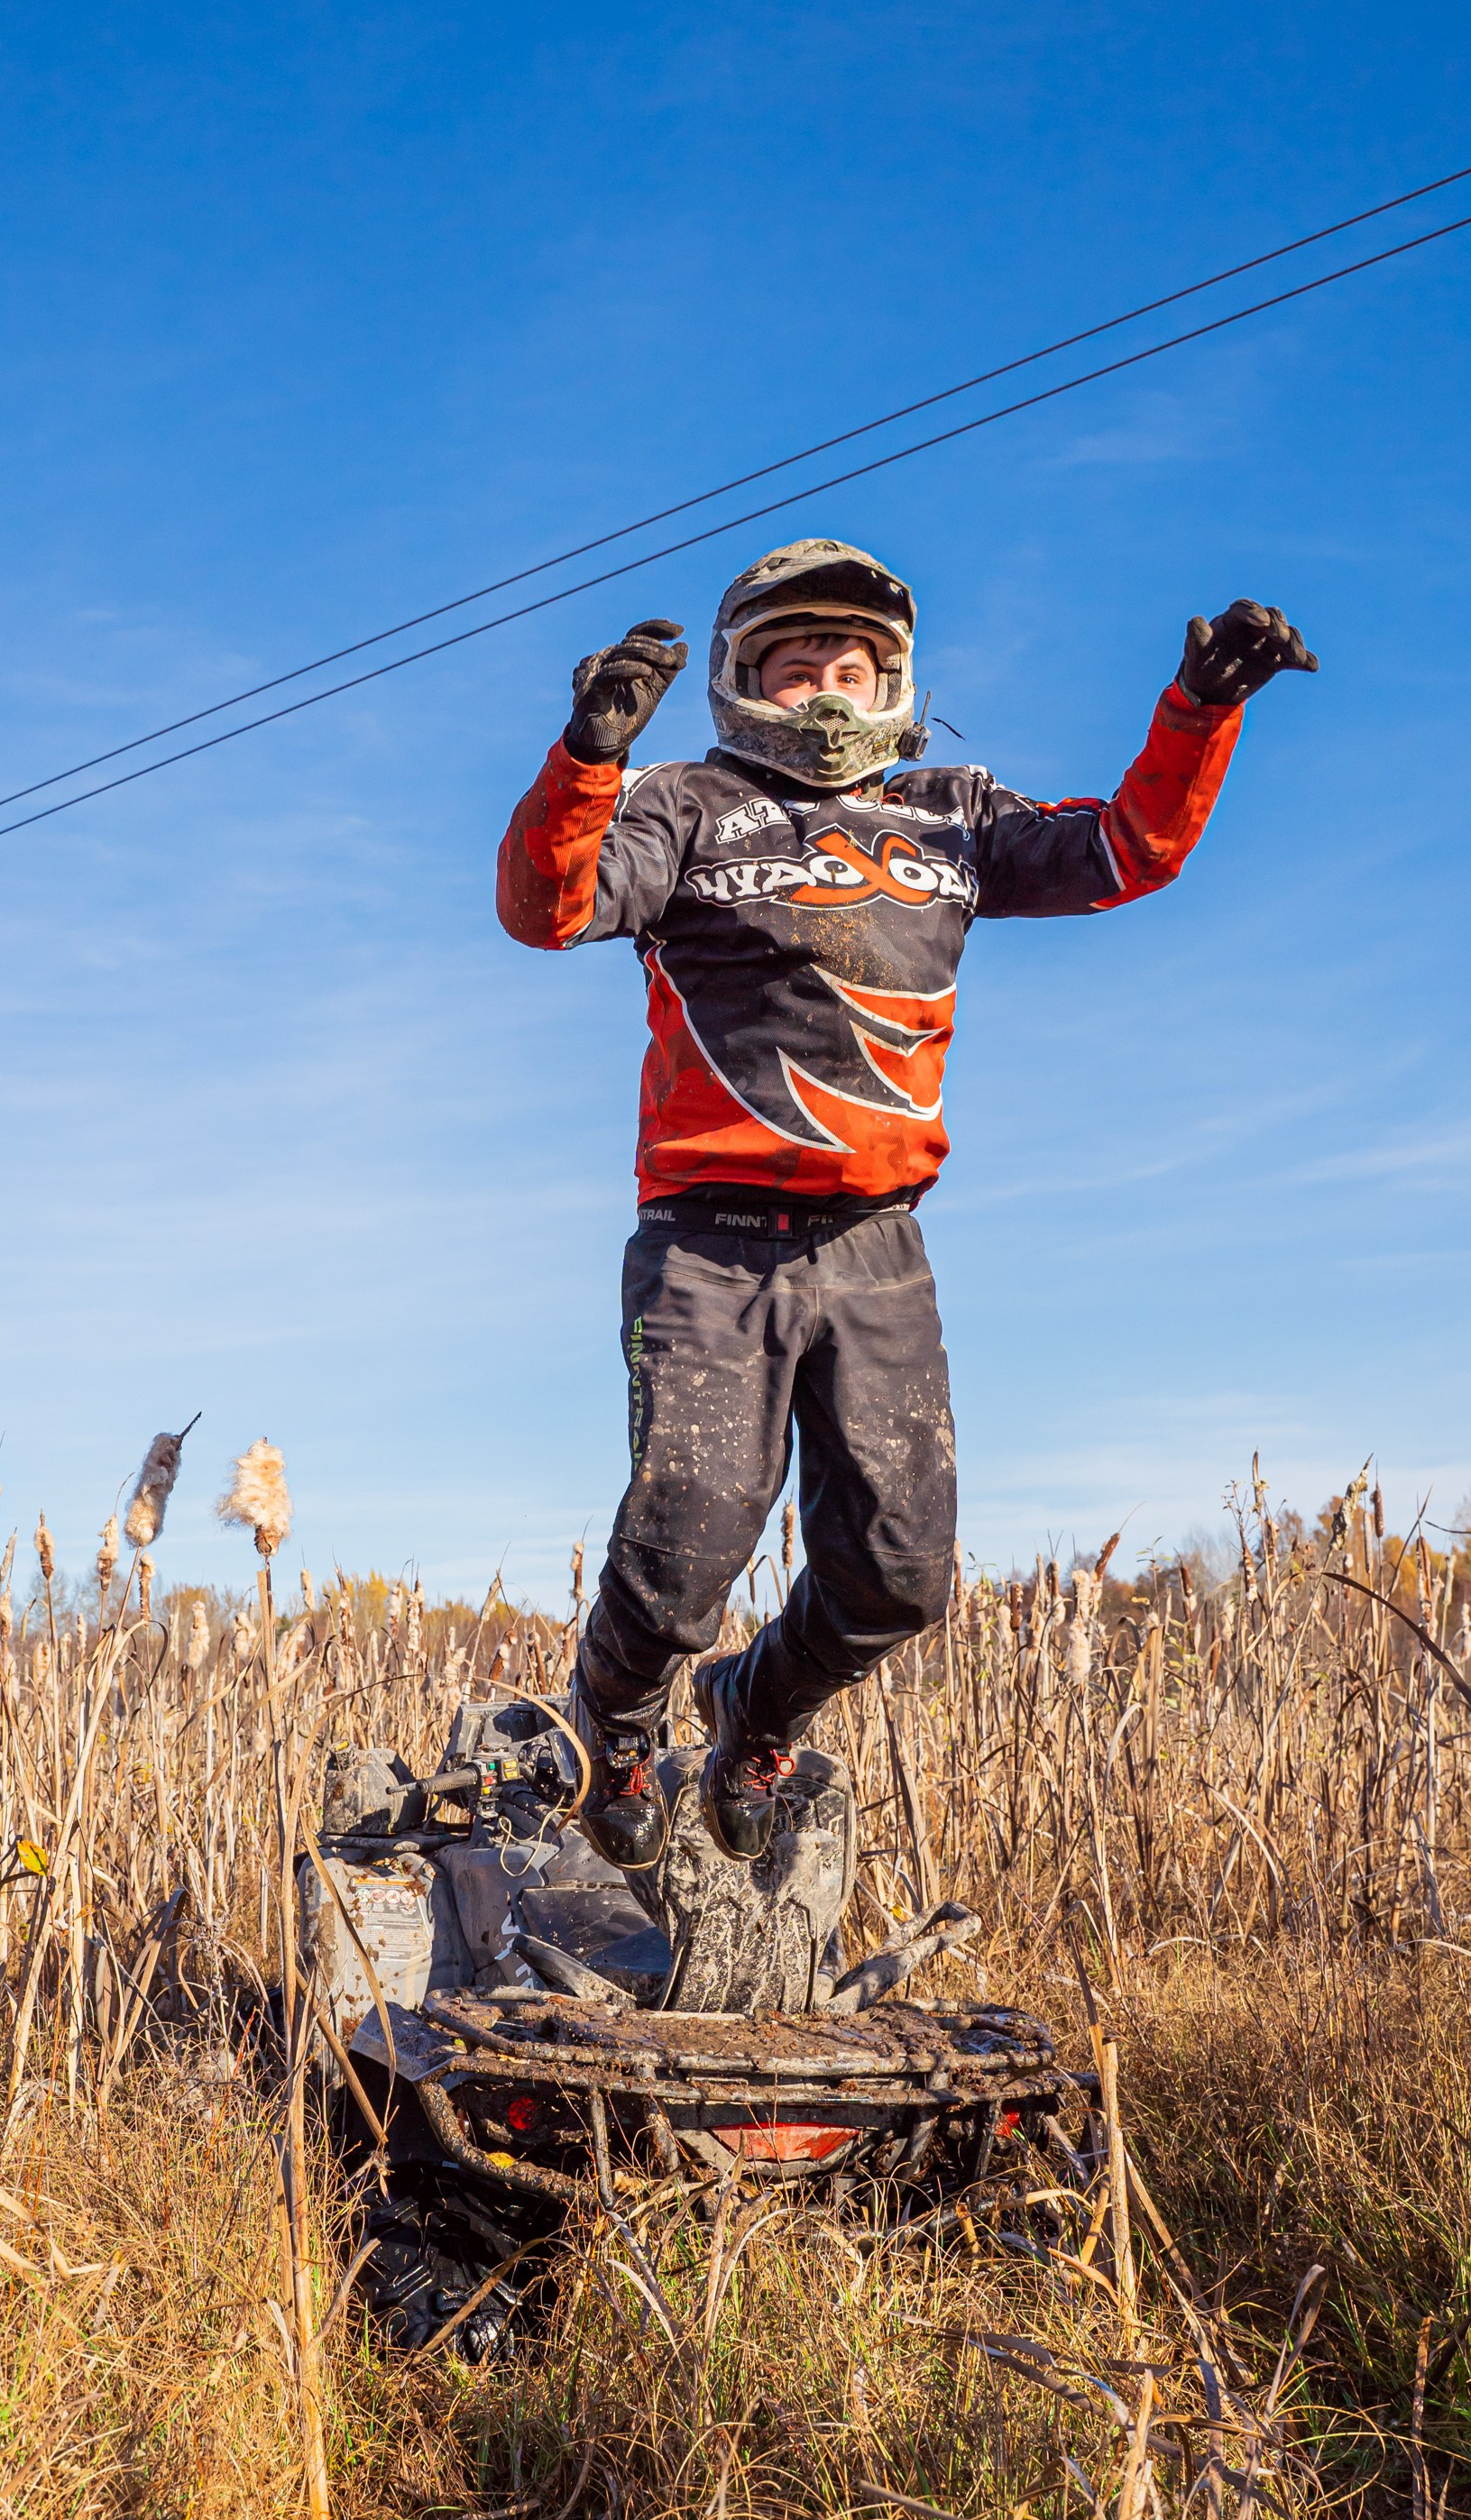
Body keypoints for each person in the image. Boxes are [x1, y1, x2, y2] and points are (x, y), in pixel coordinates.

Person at [495, 537, 1314, 1870]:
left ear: (895, 678)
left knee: (900, 1577)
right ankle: (621, 1715)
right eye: (794, 659)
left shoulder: (952, 808)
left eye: (851, 661)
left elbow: (1126, 848)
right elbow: (548, 906)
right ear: (742, 676)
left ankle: (752, 1711)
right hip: (711, 1240)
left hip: (878, 1246)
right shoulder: (682, 802)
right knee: (687, 1536)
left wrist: (1202, 711)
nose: (824, 683)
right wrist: (587, 758)